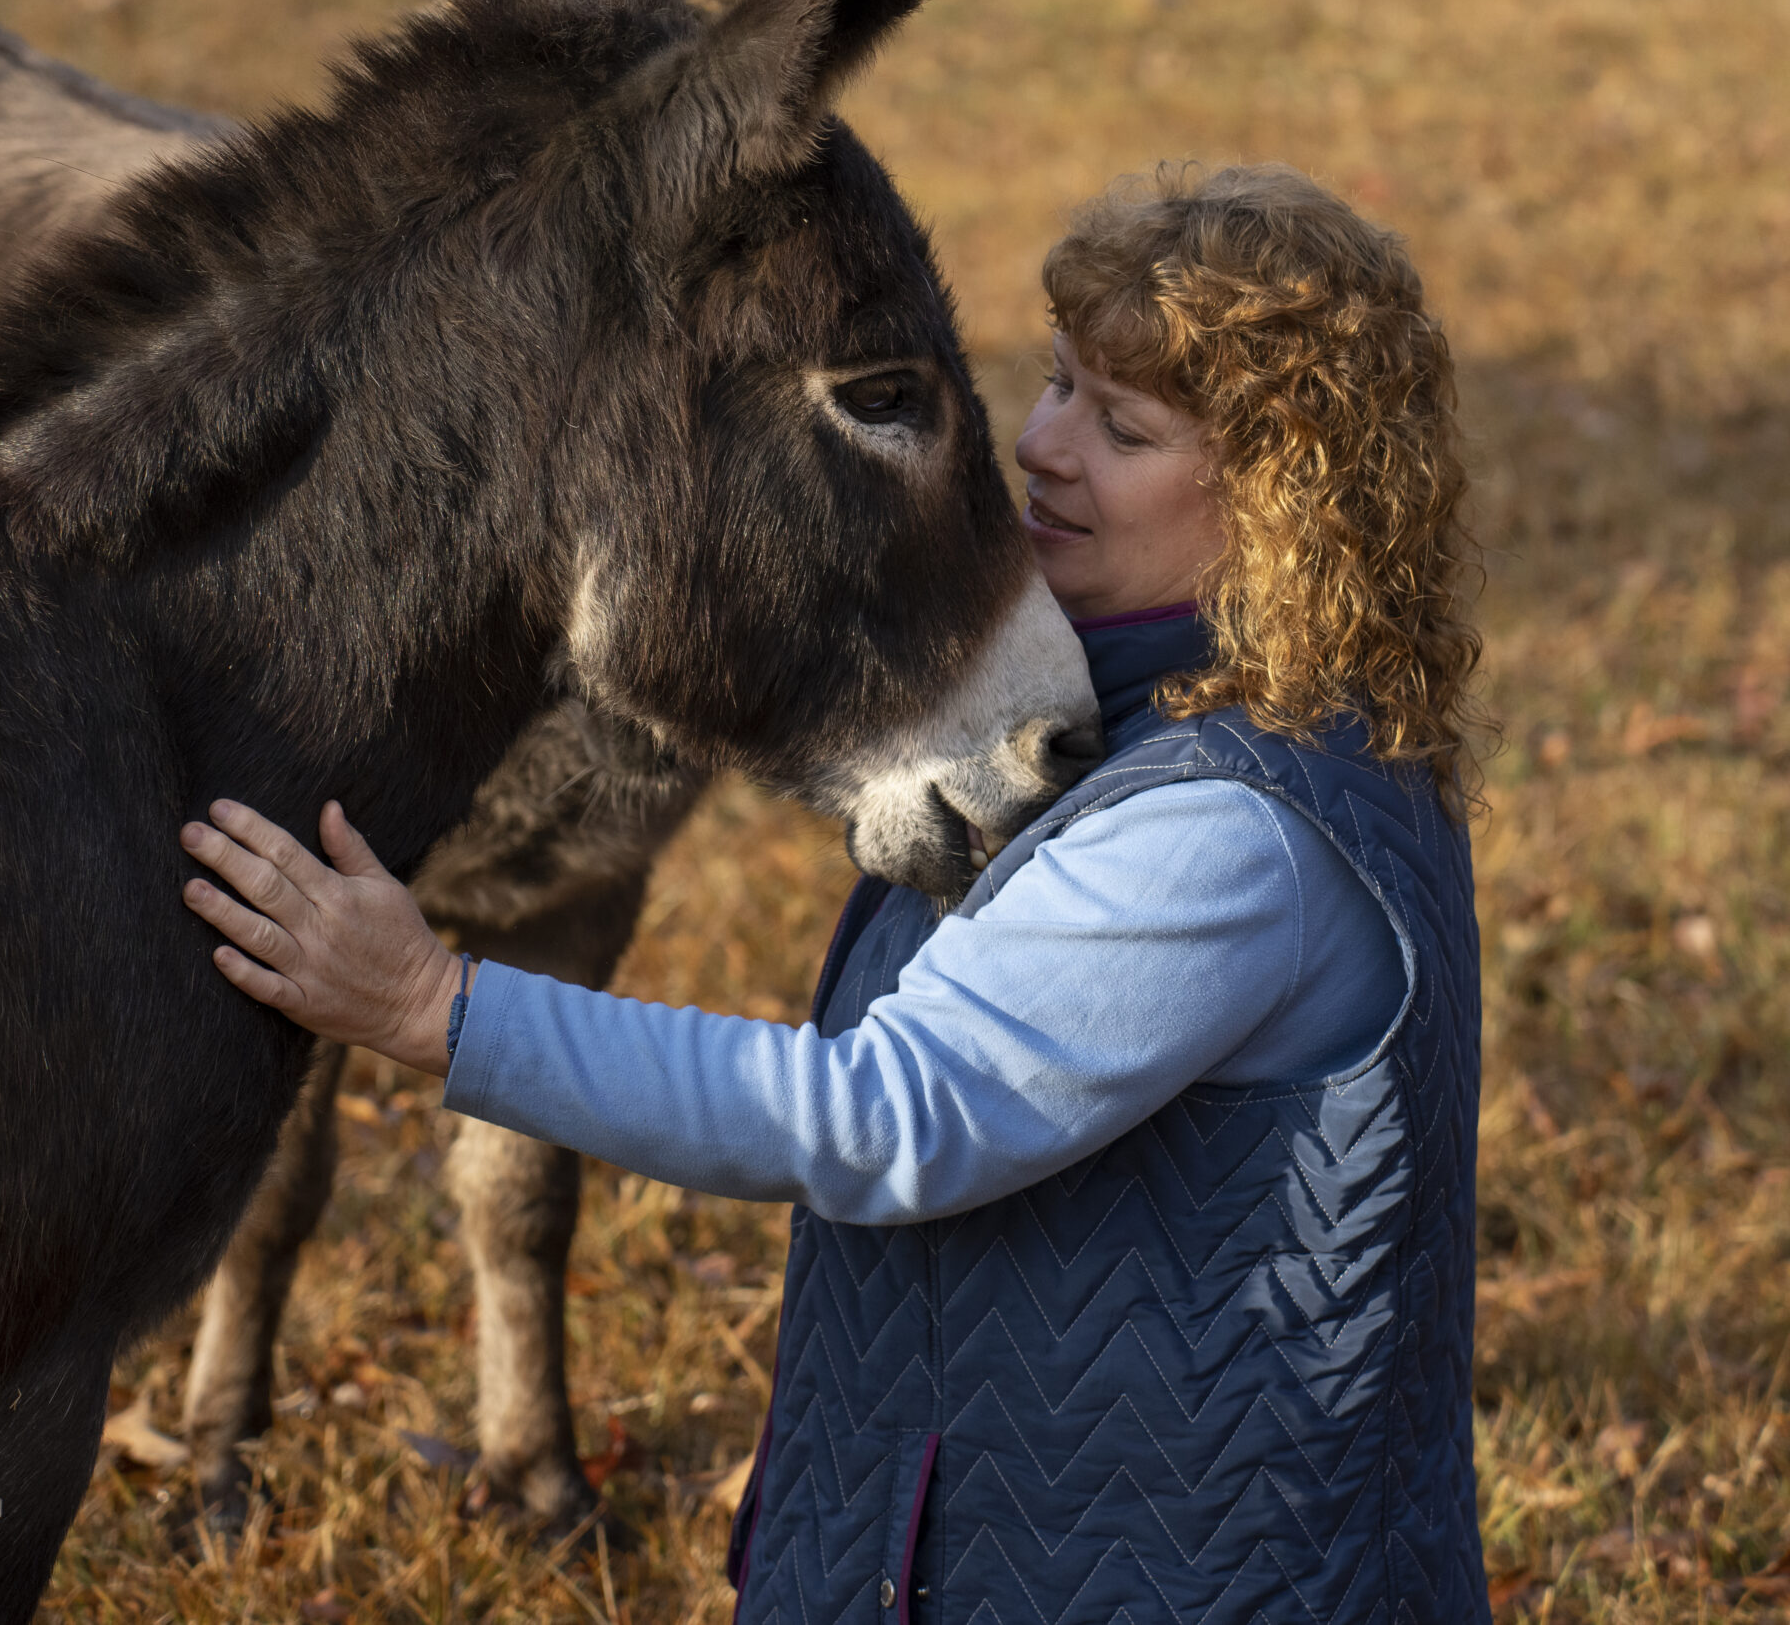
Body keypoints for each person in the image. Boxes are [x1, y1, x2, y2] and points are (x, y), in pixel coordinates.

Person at [179, 162, 1486, 1624]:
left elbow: (887, 1117)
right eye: (1052, 384)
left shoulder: (1228, 833)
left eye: (1122, 429)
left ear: (1282, 507)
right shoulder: (1183, 724)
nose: (1043, 446)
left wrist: (440, 1009)